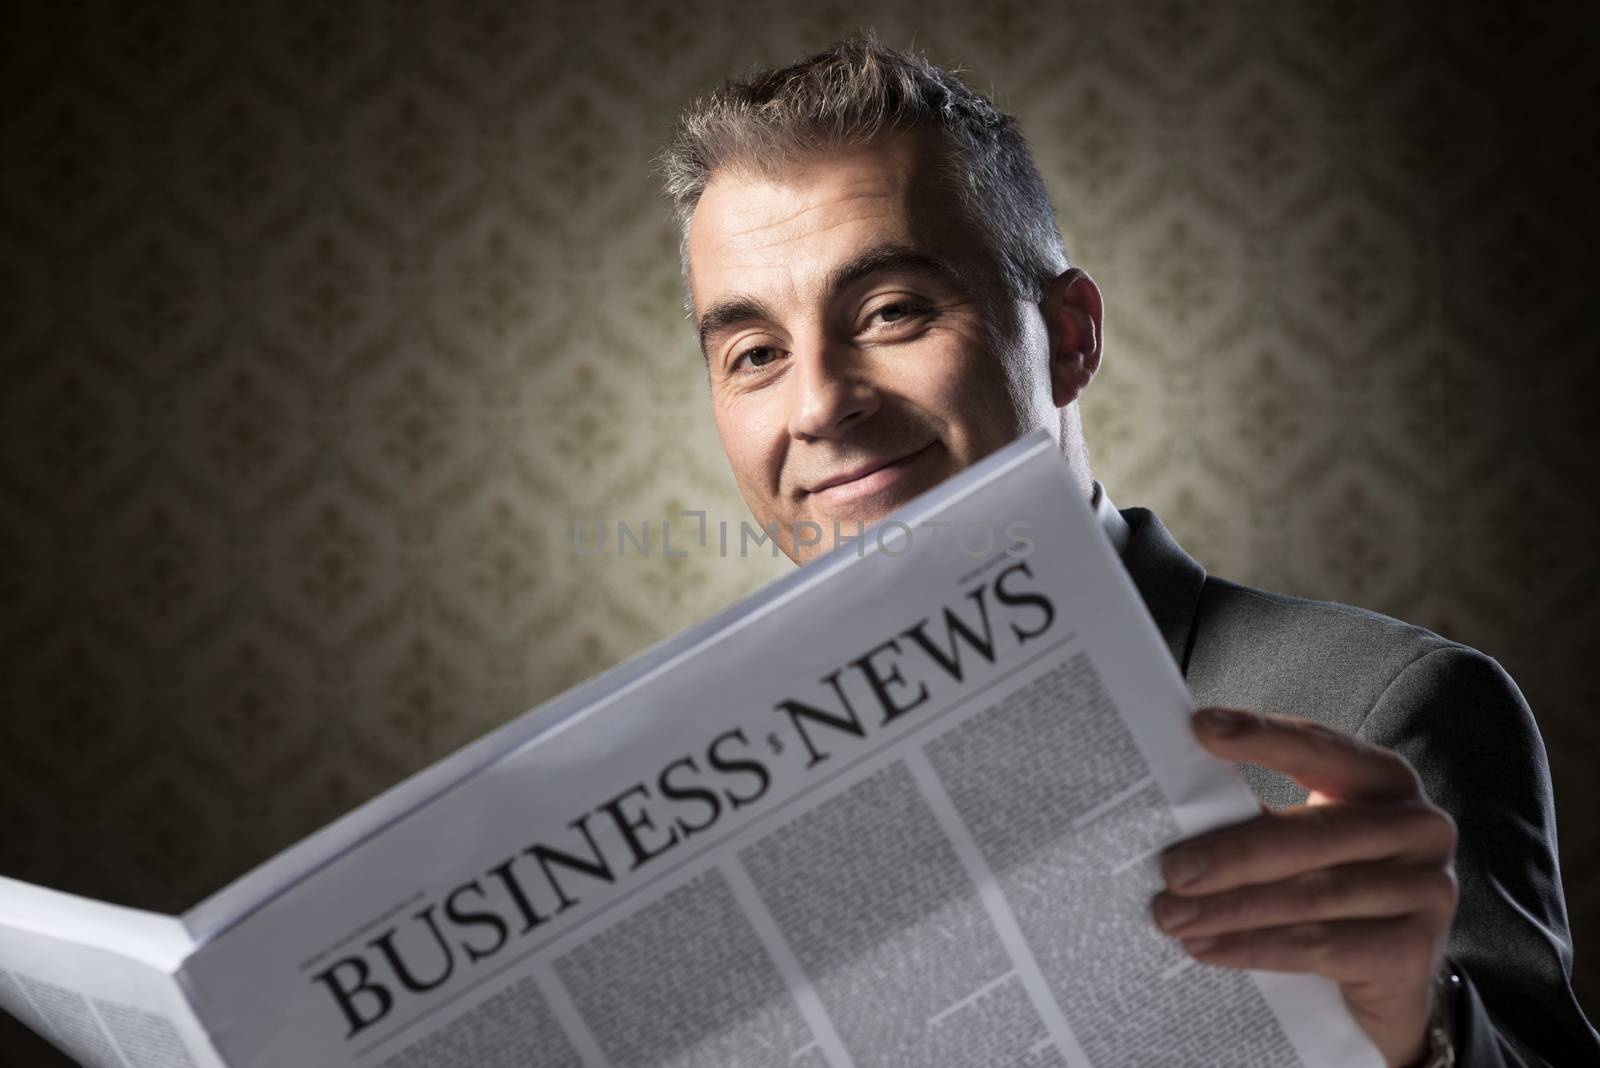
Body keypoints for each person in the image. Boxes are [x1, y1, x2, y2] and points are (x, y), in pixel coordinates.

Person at [656, 35, 1598, 1068]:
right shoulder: (692, 808)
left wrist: (1418, 1041)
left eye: (892, 312)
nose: (822, 402)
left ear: (1068, 337)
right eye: (754, 354)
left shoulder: (1388, 715)